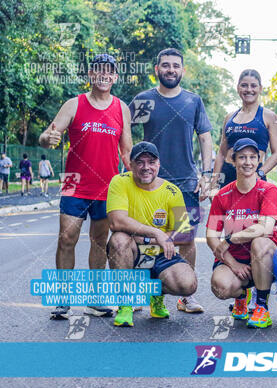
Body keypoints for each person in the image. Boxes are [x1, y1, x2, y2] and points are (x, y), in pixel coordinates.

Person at [39, 53, 133, 320]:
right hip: (73, 181)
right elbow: (46, 136)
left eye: (109, 72)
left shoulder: (121, 108)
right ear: (91, 75)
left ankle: (94, 299)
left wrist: (138, 179)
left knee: (99, 241)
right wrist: (49, 138)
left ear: (115, 77)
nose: (104, 75)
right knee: (66, 239)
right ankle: (63, 299)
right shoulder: (74, 104)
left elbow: (126, 151)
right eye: (98, 71)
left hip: (108, 184)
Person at [129, 48, 213, 313]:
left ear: (182, 71)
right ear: (157, 69)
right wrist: (129, 164)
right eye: (165, 65)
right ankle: (141, 293)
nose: (170, 70)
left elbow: (205, 137)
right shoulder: (144, 100)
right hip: (146, 183)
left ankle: (185, 297)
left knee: (185, 239)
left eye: (175, 66)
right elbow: (123, 132)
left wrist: (207, 174)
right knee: (143, 240)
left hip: (185, 182)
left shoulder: (193, 101)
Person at [106, 141, 197, 327]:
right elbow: (116, 221)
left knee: (188, 284)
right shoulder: (120, 182)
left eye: (151, 162)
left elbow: (185, 231)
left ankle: (156, 296)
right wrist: (156, 233)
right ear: (130, 165)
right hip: (132, 250)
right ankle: (125, 305)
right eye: (140, 162)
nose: (146, 167)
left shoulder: (172, 191)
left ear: (158, 164)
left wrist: (157, 239)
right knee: (118, 240)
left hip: (158, 252)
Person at [206, 138, 277, 329]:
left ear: (259, 160)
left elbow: (265, 228)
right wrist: (233, 264)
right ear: (233, 161)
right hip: (236, 259)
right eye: (242, 157)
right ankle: (241, 296)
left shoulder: (268, 189)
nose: (247, 162)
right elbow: (210, 235)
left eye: (252, 157)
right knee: (220, 287)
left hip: (266, 256)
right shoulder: (222, 195)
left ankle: (262, 307)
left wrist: (231, 239)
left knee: (259, 242)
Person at [213, 69, 277, 188]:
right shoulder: (229, 117)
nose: (249, 89)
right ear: (238, 88)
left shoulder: (269, 116)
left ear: (260, 88)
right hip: (227, 176)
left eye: (253, 86)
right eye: (244, 85)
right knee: (226, 207)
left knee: (252, 208)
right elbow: (221, 153)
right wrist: (213, 182)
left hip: (253, 176)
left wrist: (259, 173)